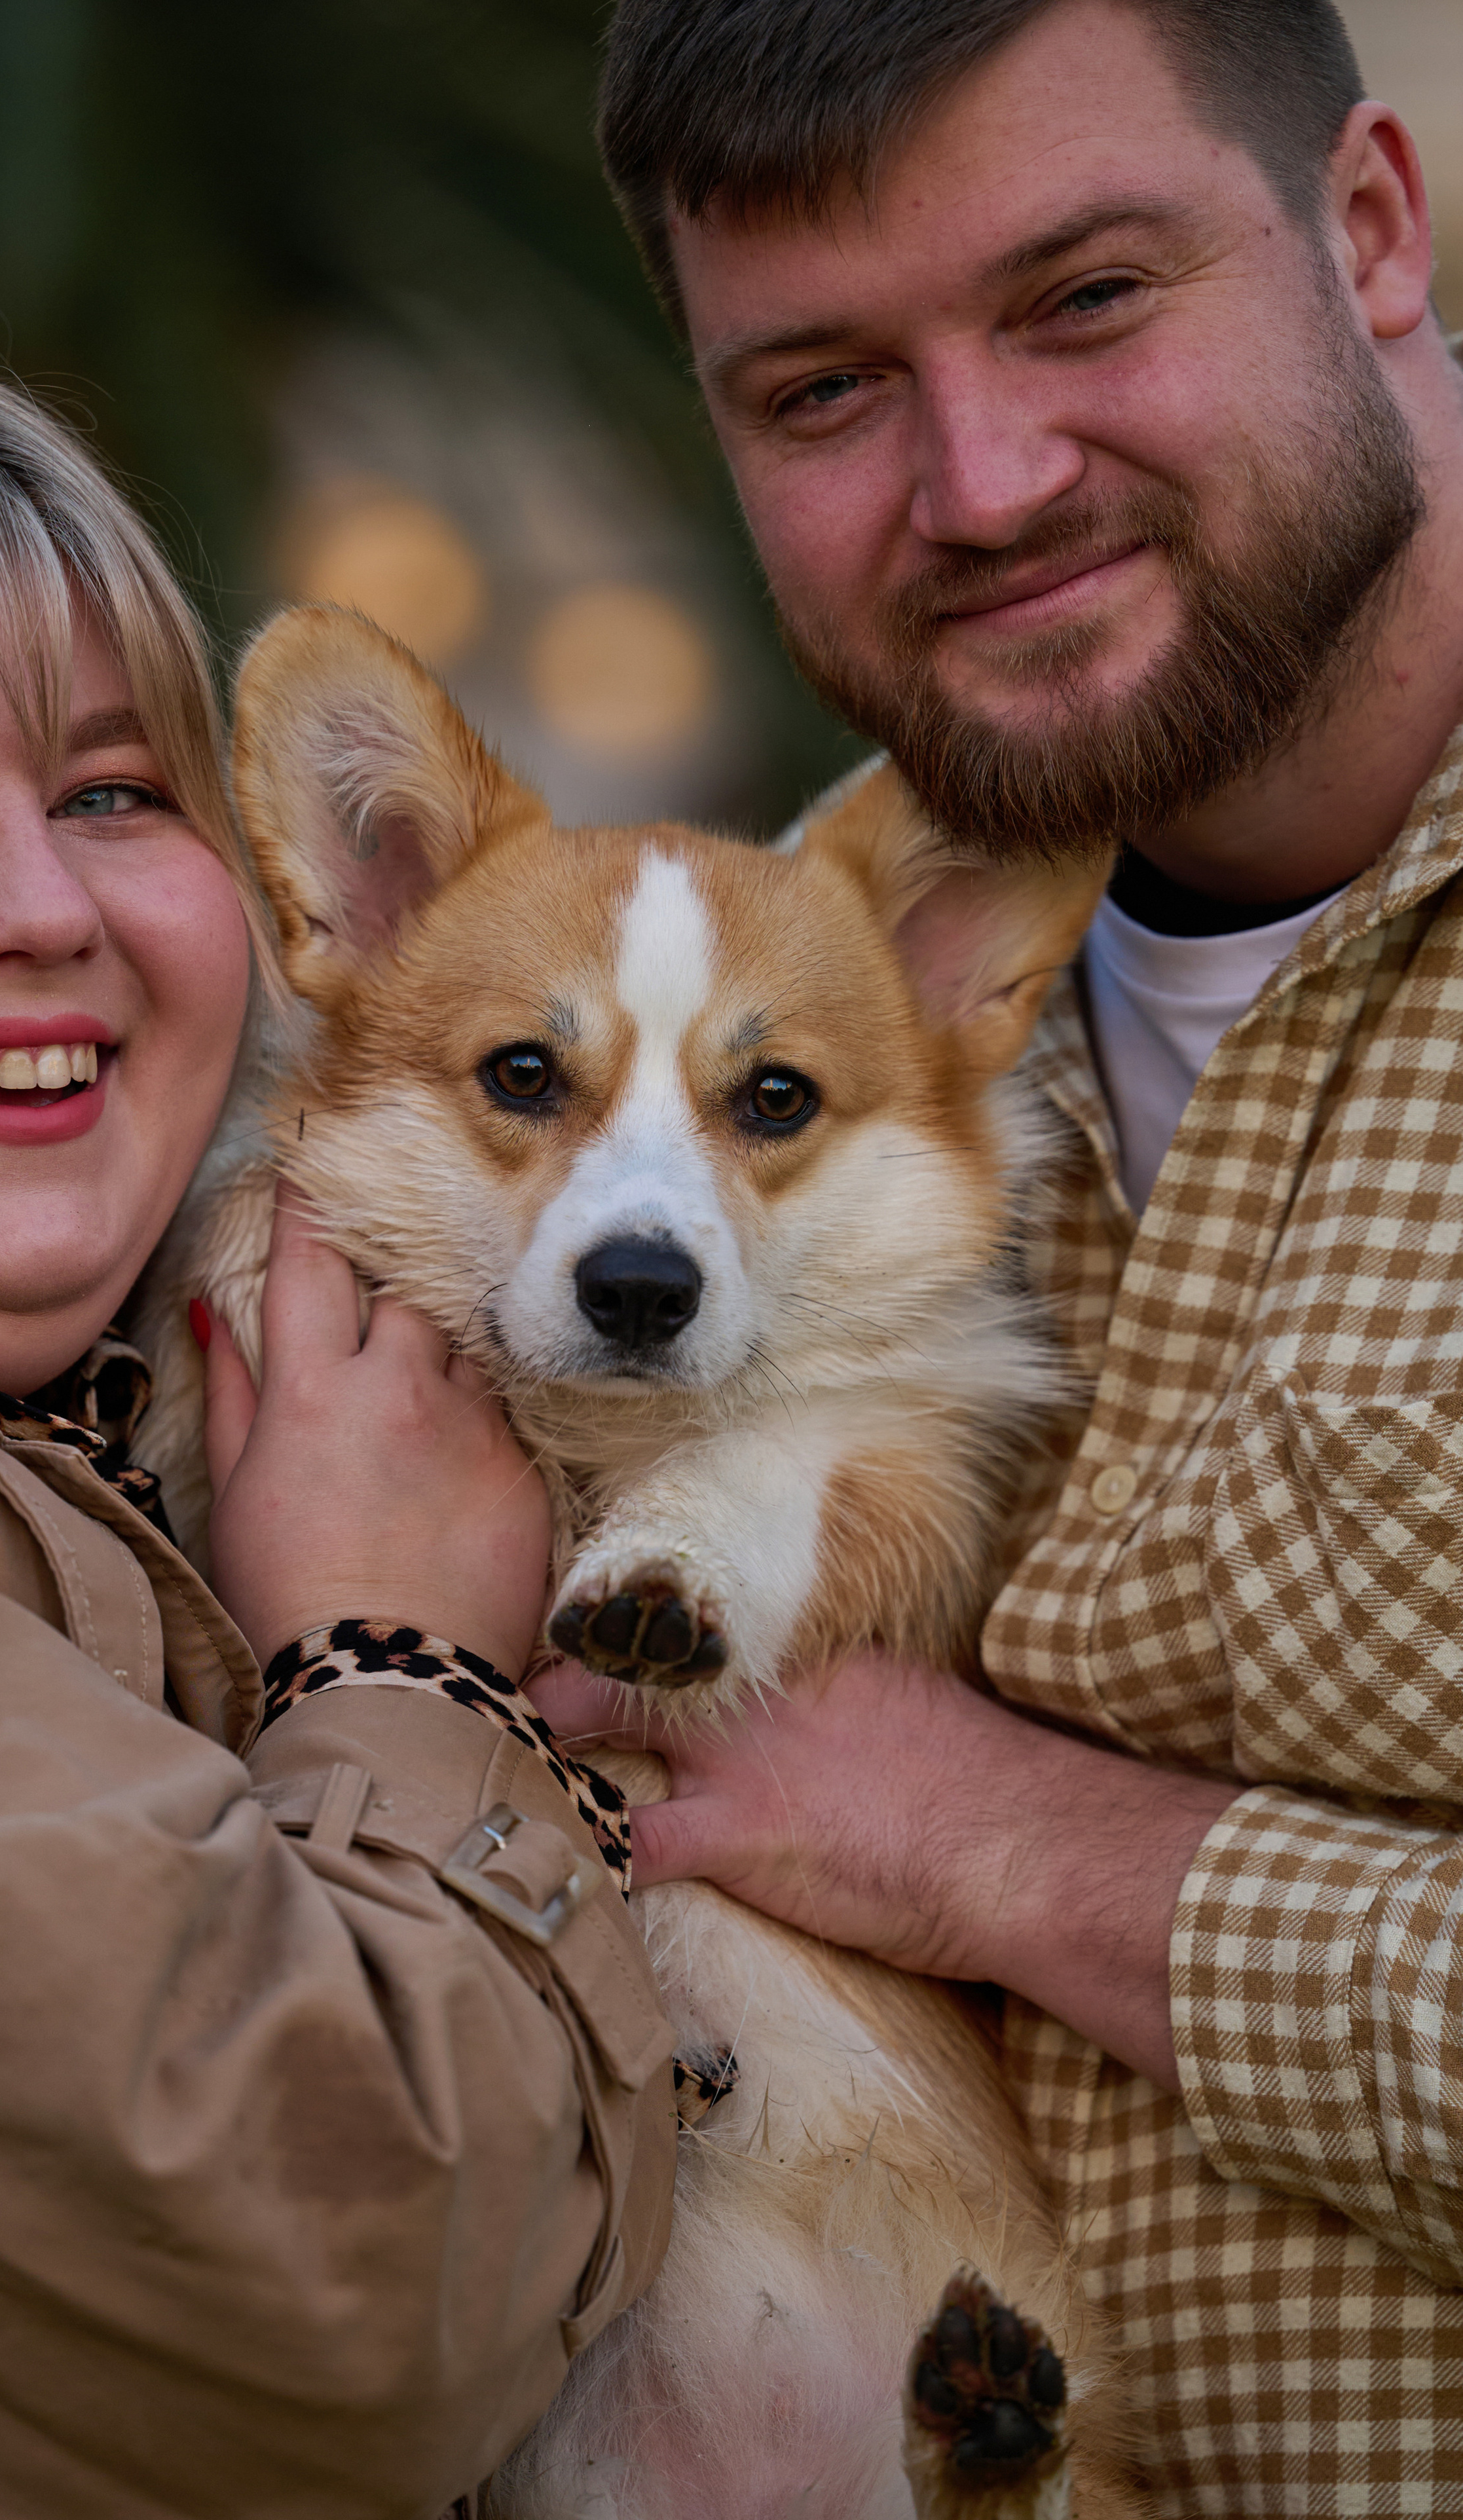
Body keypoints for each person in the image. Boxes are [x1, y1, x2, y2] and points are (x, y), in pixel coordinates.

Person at [532, 0, 1463, 2510]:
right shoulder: (759, 1007)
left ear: (1372, 229)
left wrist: (1011, 1851)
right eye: (823, 390)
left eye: (1087, 299)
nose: (986, 481)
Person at [0, 340, 673, 2520]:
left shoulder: (118, 1409)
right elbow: (350, 2292)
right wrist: (398, 1658)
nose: (44, 908)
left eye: (115, 793)